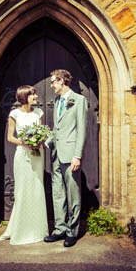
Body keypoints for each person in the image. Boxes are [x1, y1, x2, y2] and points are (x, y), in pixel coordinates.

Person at [0, 85, 48, 245]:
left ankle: (37, 229)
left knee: (36, 188)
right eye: (32, 94)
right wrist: (25, 142)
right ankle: (20, 229)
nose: (35, 96)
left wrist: (39, 141)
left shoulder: (39, 113)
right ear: (24, 97)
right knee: (22, 190)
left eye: (34, 93)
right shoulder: (14, 114)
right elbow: (10, 137)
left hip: (37, 156)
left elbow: (41, 132)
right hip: (22, 155)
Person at [44, 70, 88, 247]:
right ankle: (60, 228)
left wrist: (77, 155)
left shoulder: (79, 100)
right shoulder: (57, 101)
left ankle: (72, 231)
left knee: (73, 194)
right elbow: (57, 128)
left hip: (70, 155)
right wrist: (44, 142)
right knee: (58, 193)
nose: (52, 85)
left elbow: (81, 130)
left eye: (54, 82)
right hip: (55, 154)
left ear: (62, 81)